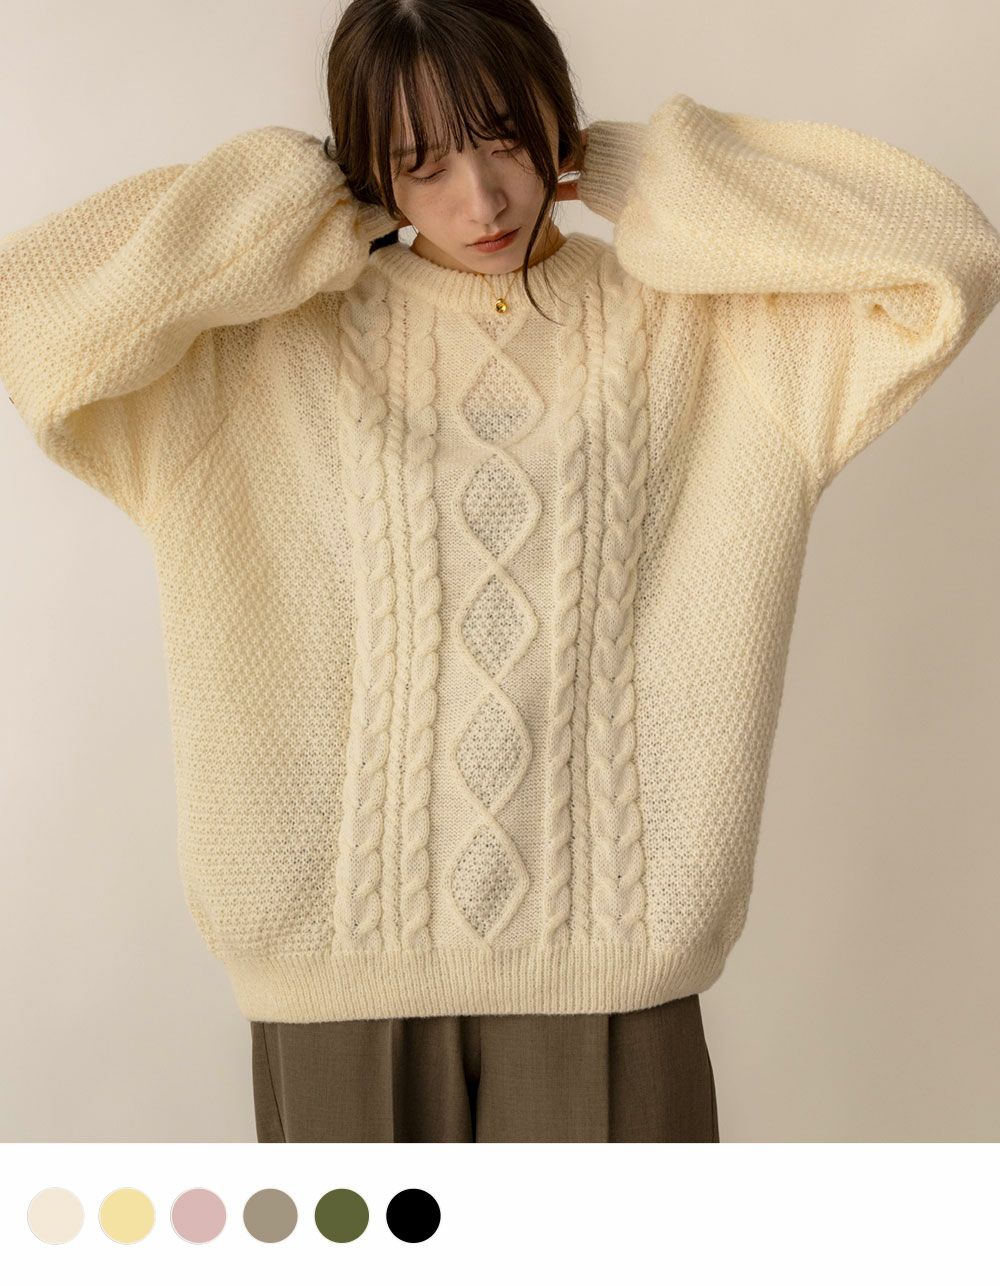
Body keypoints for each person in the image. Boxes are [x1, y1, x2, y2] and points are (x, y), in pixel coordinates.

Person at [2, 0, 998, 1143]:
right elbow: (35, 319)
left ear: (554, 119)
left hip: (613, 967)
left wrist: (644, 172)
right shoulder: (250, 357)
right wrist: (292, 204)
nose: (479, 202)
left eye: (506, 141)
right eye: (420, 166)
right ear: (368, 171)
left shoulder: (722, 337)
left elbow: (941, 262)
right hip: (331, 977)